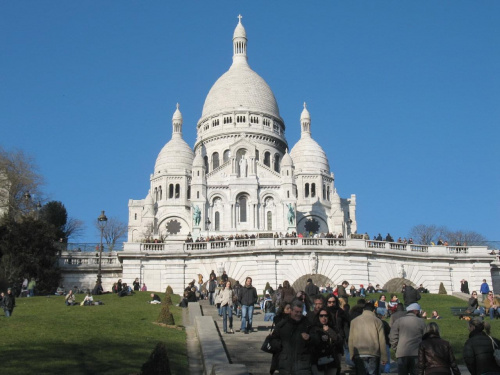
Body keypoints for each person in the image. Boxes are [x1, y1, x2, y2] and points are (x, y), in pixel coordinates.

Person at [270, 299, 315, 375]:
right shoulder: (282, 325)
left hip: (303, 365)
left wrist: (310, 338)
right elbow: (273, 340)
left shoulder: (307, 324)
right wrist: (279, 344)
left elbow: (316, 339)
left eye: (300, 312)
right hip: (285, 364)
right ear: (291, 311)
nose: (298, 314)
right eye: (296, 312)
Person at [348, 302, 387, 375]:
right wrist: (384, 356)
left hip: (359, 353)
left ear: (363, 310)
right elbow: (382, 340)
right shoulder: (378, 321)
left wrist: (351, 354)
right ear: (374, 311)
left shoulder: (354, 321)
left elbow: (351, 339)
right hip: (373, 353)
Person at [390, 303, 426, 375]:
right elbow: (425, 337)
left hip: (402, 352)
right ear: (415, 311)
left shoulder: (399, 321)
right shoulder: (421, 322)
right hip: (416, 353)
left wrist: (395, 348)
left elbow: (393, 336)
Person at [311, 308, 342, 375]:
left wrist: (329, 331)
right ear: (318, 317)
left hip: (331, 359)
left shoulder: (333, 328)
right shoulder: (314, 328)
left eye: (326, 316)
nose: (323, 318)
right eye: (321, 316)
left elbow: (338, 341)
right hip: (318, 359)